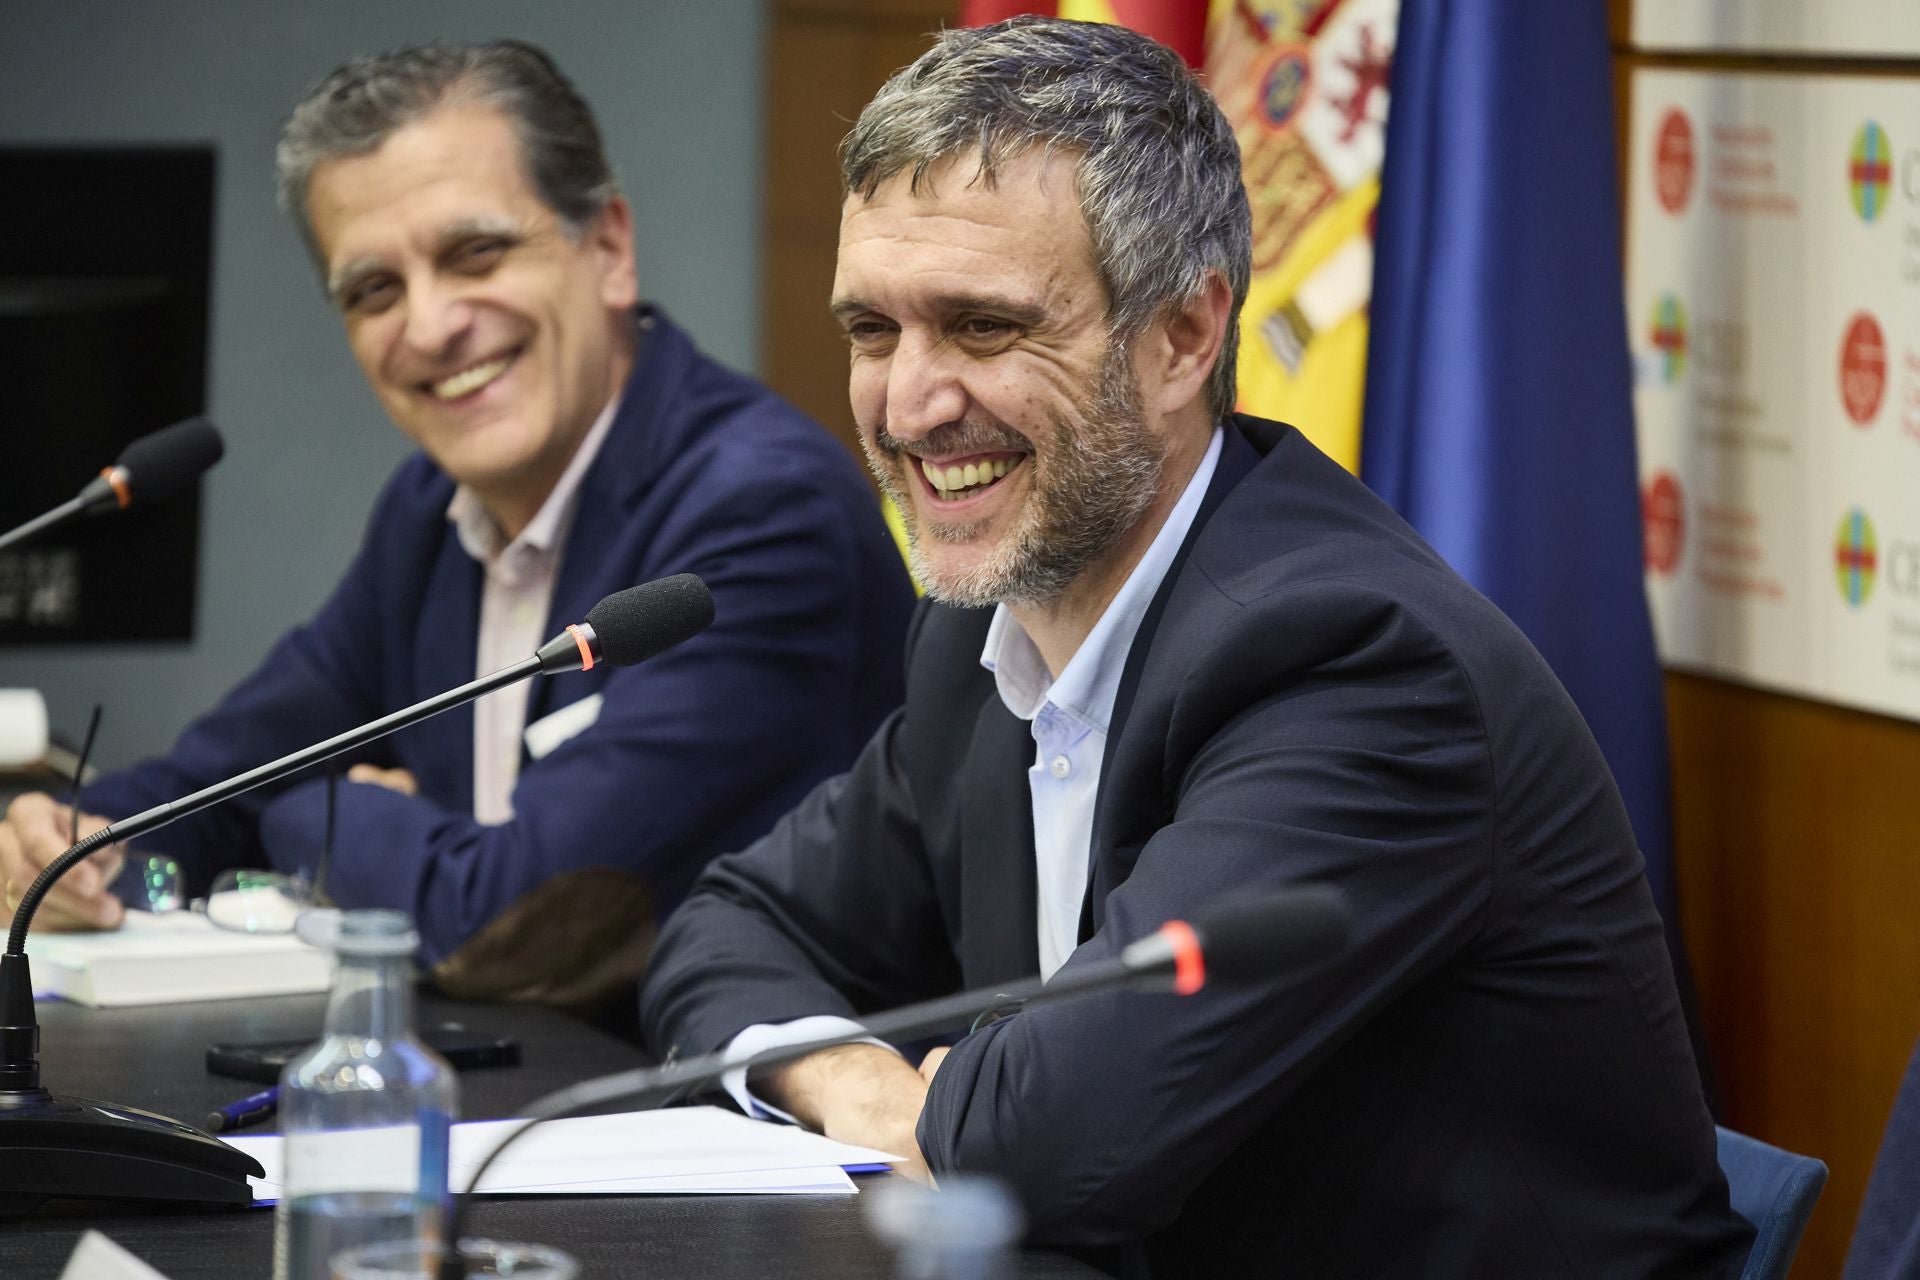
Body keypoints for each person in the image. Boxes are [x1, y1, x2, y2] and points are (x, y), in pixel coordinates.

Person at [639, 17, 1753, 1276]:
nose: (908, 404)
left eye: (984, 327)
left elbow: (1044, 1146)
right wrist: (862, 1082)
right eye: (874, 331)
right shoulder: (980, 637)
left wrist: (970, 1113)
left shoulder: (1356, 666)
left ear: (1182, 337)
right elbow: (725, 927)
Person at [0, 41, 916, 1001]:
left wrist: (309, 816)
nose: (432, 327)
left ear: (608, 247)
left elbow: (516, 926)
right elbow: (224, 775)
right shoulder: (428, 513)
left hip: (755, 1090)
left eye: (475, 254)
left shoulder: (762, 511)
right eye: (375, 291)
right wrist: (66, 842)